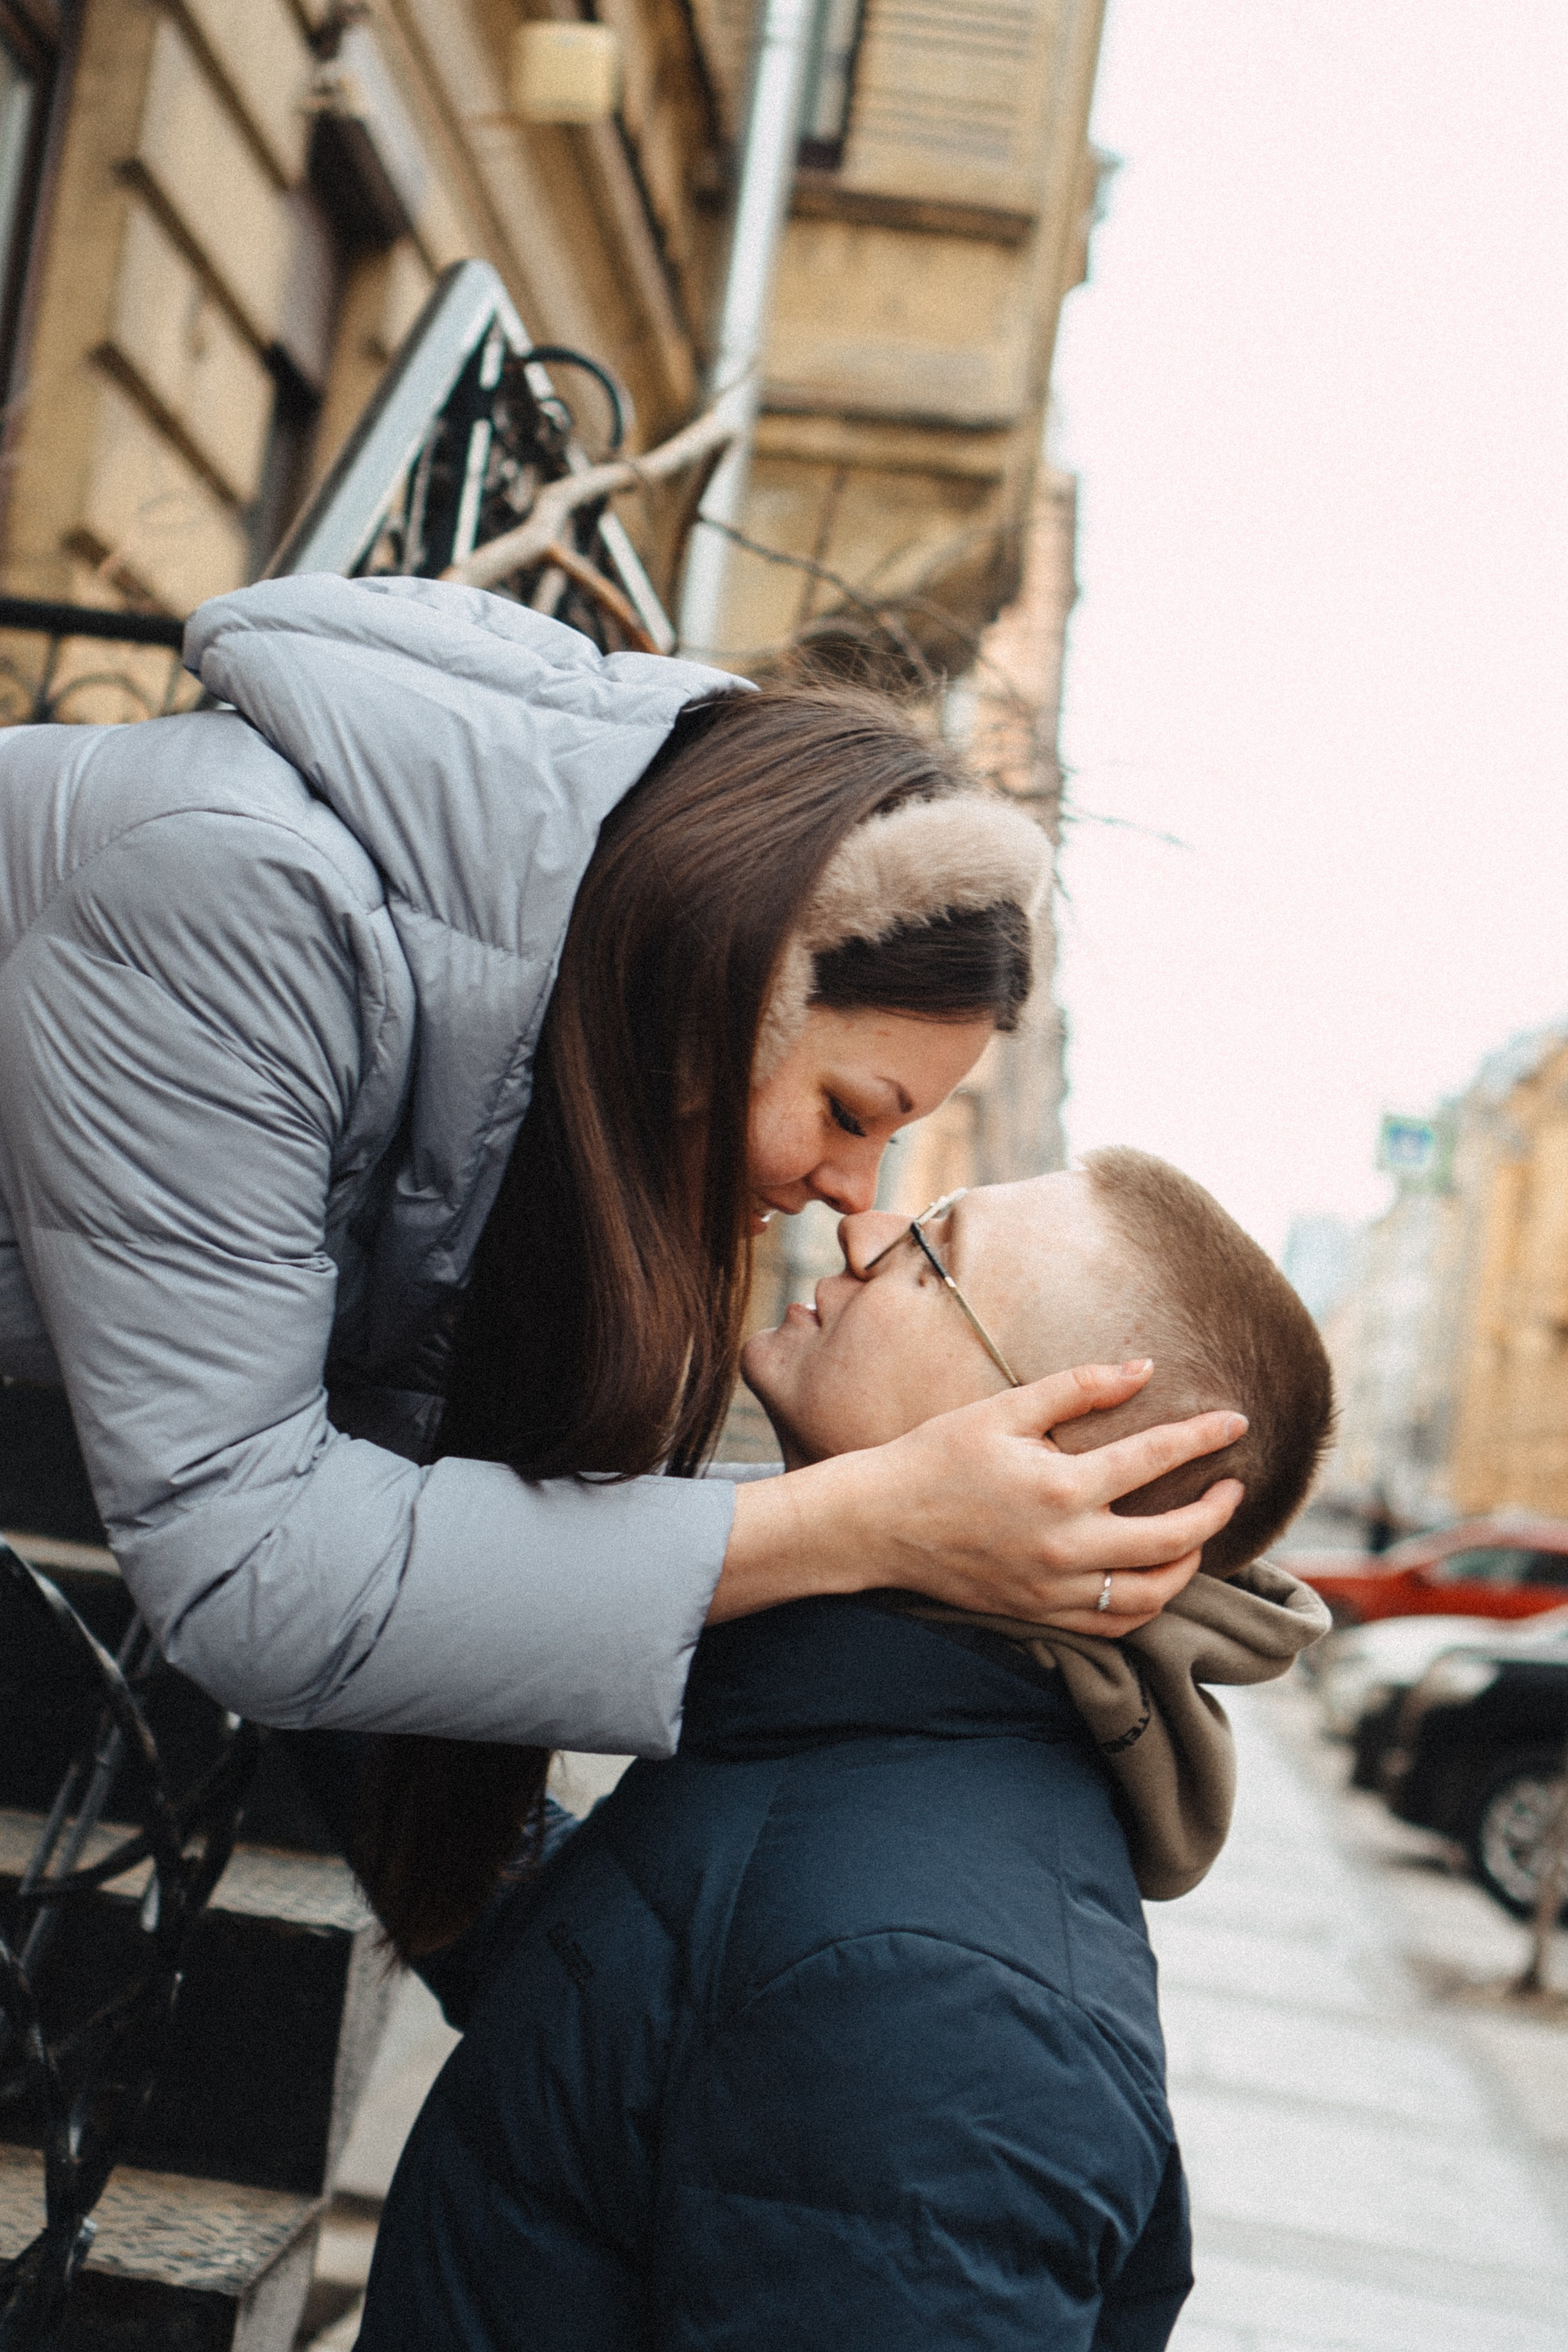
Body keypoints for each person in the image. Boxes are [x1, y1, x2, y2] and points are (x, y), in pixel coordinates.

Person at [0, 576, 1245, 1869]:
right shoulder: (239, 903)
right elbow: (257, 1568)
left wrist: (894, 1509)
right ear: (729, 979)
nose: (853, 1196)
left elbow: (399, 1520)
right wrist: (869, 1519)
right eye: (845, 1110)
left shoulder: (502, 1056)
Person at [355, 1151, 1334, 2351]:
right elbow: (623, 2010)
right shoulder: (840, 1735)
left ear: (1055, 1456)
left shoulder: (939, 2004)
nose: (859, 1231)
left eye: (932, 1251)